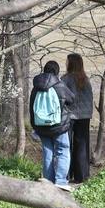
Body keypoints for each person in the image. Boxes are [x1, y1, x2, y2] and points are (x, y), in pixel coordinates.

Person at [30, 60, 75, 191]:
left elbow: (31, 107)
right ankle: (60, 181)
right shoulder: (59, 85)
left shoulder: (36, 86)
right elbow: (71, 99)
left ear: (44, 70)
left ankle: (48, 181)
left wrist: (35, 126)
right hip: (58, 126)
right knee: (62, 150)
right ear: (57, 71)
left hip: (41, 126)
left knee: (47, 152)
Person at [62, 53, 93, 183]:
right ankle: (82, 176)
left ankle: (66, 174)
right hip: (85, 116)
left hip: (70, 115)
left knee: (66, 145)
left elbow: (62, 97)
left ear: (71, 64)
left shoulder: (65, 79)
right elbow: (90, 98)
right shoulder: (86, 79)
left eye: (67, 61)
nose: (65, 63)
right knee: (82, 146)